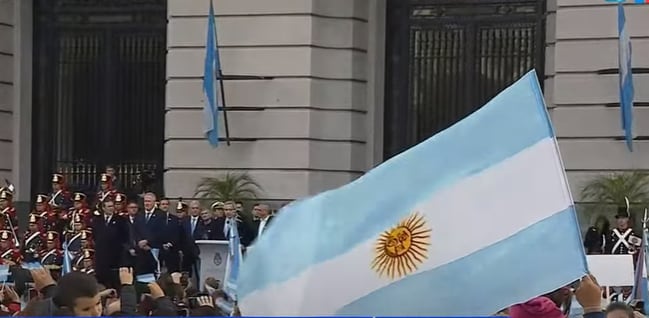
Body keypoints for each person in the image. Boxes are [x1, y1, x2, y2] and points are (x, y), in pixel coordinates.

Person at [92, 199, 128, 289]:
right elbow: (95, 236)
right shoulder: (97, 220)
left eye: (112, 206)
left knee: (115, 281)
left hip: (116, 255)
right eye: (109, 206)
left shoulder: (120, 220)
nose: (111, 208)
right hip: (101, 255)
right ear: (103, 208)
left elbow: (125, 236)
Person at [160, 200, 181, 273]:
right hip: (159, 249)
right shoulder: (154, 218)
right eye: (163, 204)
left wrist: (170, 243)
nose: (165, 206)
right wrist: (161, 244)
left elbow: (177, 233)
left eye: (166, 204)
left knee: (173, 273)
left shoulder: (175, 219)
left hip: (172, 250)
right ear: (159, 206)